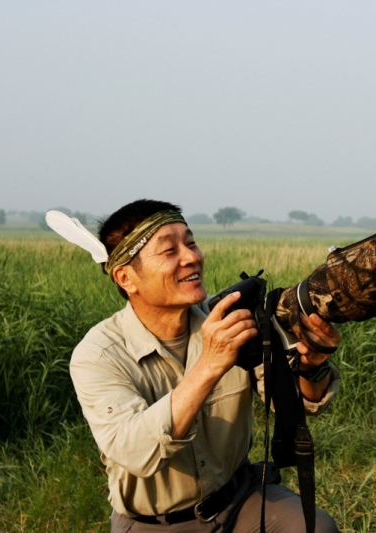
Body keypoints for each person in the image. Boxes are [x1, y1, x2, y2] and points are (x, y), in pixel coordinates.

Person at [69, 199, 341, 532]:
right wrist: (211, 363)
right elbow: (136, 453)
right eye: (169, 251)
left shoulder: (229, 323)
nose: (192, 257)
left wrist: (309, 366)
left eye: (191, 242)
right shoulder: (98, 355)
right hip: (155, 523)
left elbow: (291, 404)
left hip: (240, 499)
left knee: (315, 528)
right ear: (126, 277)